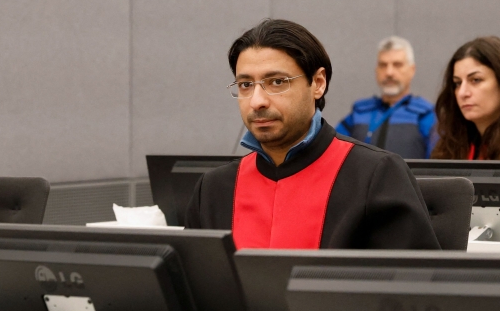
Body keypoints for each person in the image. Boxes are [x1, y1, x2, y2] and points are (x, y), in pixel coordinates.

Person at [186, 19, 439, 250]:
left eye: (277, 82)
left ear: (318, 83)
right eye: (245, 85)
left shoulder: (377, 175)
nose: (257, 101)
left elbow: (410, 291)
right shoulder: (213, 190)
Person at [335, 36, 435, 158]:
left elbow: (436, 167)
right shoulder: (359, 113)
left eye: (397, 65)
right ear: (376, 70)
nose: (389, 72)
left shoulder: (426, 116)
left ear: (412, 70)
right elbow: (334, 152)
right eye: (383, 65)